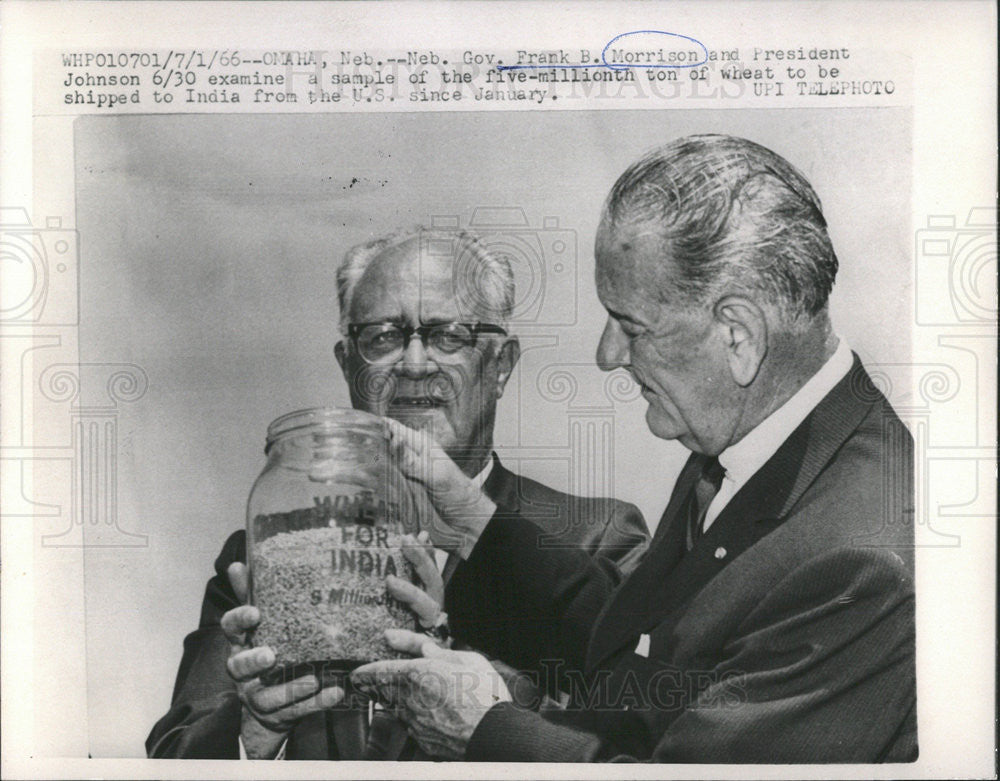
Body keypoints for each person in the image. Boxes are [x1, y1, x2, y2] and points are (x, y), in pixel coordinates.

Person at [351, 134, 918, 763]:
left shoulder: (861, 561)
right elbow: (652, 654)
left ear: (740, 336)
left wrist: (483, 731)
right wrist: (476, 525)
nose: (607, 354)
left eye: (631, 326)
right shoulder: (746, 446)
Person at [146, 228, 649, 759]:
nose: (413, 364)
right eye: (382, 337)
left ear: (501, 365)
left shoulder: (597, 540)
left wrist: (479, 702)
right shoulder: (269, 557)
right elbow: (175, 757)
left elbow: (640, 737)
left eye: (447, 335)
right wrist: (254, 734)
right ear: (348, 365)